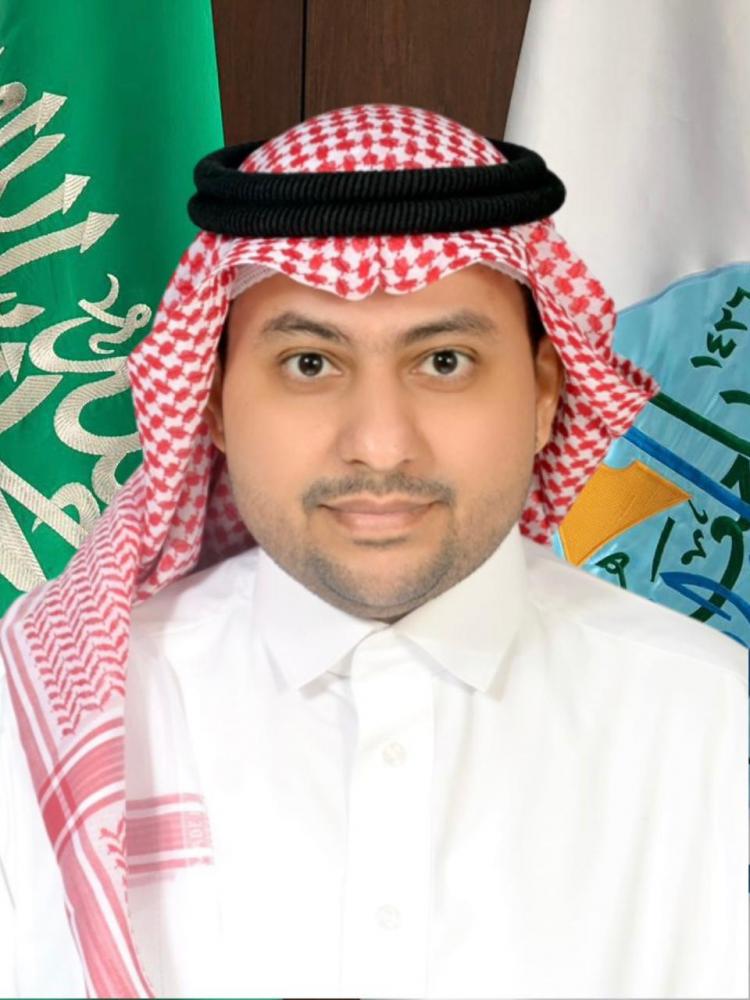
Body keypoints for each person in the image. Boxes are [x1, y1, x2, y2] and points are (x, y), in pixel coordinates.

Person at [0, 104, 745, 1000]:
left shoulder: (712, 720)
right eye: (310, 364)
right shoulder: (37, 717)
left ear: (547, 395)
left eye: (445, 362)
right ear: (212, 400)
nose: (382, 446)